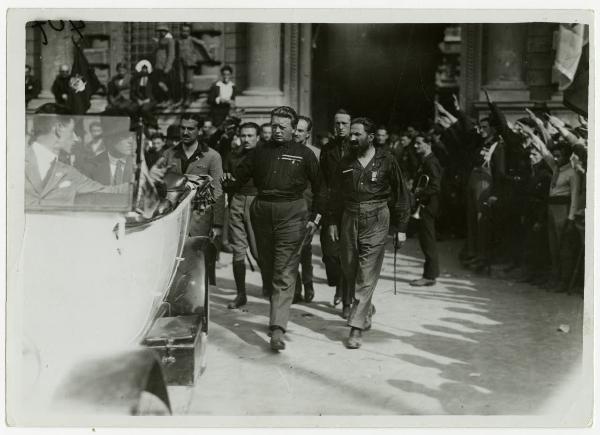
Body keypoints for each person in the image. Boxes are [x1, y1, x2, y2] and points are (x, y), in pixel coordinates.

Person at [231, 106, 321, 351]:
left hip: (292, 212)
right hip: (262, 210)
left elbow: (321, 188)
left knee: (284, 269)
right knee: (267, 265)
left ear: (294, 129)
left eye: (283, 127)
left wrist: (316, 217)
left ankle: (277, 328)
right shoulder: (259, 152)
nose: (277, 131)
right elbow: (236, 179)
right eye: (274, 126)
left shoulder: (305, 154)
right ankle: (276, 312)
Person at [327, 117, 410, 349]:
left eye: (357, 134)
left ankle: (355, 328)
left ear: (370, 137)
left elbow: (402, 194)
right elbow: (334, 194)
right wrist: (332, 221)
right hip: (349, 217)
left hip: (377, 217)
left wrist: (401, 228)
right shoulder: (345, 161)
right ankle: (366, 308)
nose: (351, 138)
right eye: (350, 134)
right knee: (350, 269)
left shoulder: (387, 160)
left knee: (366, 274)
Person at [162, 114, 225, 285]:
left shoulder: (212, 156)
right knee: (173, 262)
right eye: (183, 128)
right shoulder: (169, 154)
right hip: (174, 218)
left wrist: (217, 224)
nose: (186, 132)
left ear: (199, 131)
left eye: (191, 128)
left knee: (199, 264)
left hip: (200, 218)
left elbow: (218, 190)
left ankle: (199, 306)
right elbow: (160, 185)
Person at [25, 115, 139, 207]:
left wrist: (141, 184)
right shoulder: (14, 162)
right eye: (72, 131)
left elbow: (106, 191)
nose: (75, 138)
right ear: (59, 129)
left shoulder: (69, 172)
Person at [221, 122, 260, 309]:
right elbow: (226, 180)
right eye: (243, 135)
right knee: (238, 250)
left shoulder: (265, 155)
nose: (246, 139)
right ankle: (241, 294)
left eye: (250, 135)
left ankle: (271, 286)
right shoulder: (233, 155)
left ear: (258, 137)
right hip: (236, 200)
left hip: (257, 202)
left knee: (258, 250)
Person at [319, 109, 352, 317]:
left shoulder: (357, 147)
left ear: (350, 125)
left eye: (344, 124)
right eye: (337, 123)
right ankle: (338, 284)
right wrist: (326, 216)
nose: (340, 127)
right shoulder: (327, 149)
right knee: (330, 255)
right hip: (332, 208)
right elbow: (323, 182)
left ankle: (347, 302)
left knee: (349, 255)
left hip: (352, 208)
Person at [291, 115, 319, 304]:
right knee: (290, 250)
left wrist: (317, 216)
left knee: (305, 249)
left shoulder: (316, 154)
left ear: (308, 134)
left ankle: (308, 282)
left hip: (307, 207)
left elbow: (320, 186)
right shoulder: (284, 150)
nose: (295, 133)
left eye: (300, 130)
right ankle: (296, 286)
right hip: (288, 207)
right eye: (295, 129)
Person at [410, 135, 443, 286]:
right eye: (415, 143)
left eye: (419, 143)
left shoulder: (431, 162)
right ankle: (430, 274)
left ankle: (429, 276)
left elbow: (435, 186)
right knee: (425, 240)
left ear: (428, 144)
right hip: (424, 204)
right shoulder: (426, 160)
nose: (415, 146)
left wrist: (417, 193)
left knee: (428, 240)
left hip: (427, 205)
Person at [177, 23, 211, 105]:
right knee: (181, 81)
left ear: (189, 32)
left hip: (189, 63)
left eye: (187, 31)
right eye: (183, 31)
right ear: (180, 31)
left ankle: (188, 99)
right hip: (180, 63)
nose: (185, 33)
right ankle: (182, 98)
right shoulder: (178, 41)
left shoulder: (191, 39)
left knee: (188, 82)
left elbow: (202, 43)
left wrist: (208, 55)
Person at [153, 23, 178, 105]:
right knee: (159, 84)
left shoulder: (170, 40)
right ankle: (164, 99)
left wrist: (167, 67)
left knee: (163, 84)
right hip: (159, 66)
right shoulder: (160, 40)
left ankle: (169, 99)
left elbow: (171, 54)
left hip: (165, 66)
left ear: (166, 31)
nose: (161, 32)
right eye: (160, 31)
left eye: (163, 31)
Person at [130, 60, 156, 126]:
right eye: (143, 70)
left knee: (144, 109)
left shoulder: (152, 80)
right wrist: (137, 100)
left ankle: (153, 123)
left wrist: (149, 99)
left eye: (145, 70)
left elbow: (156, 92)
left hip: (150, 100)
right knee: (131, 108)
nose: (144, 71)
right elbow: (132, 93)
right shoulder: (137, 81)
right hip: (140, 100)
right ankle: (136, 124)